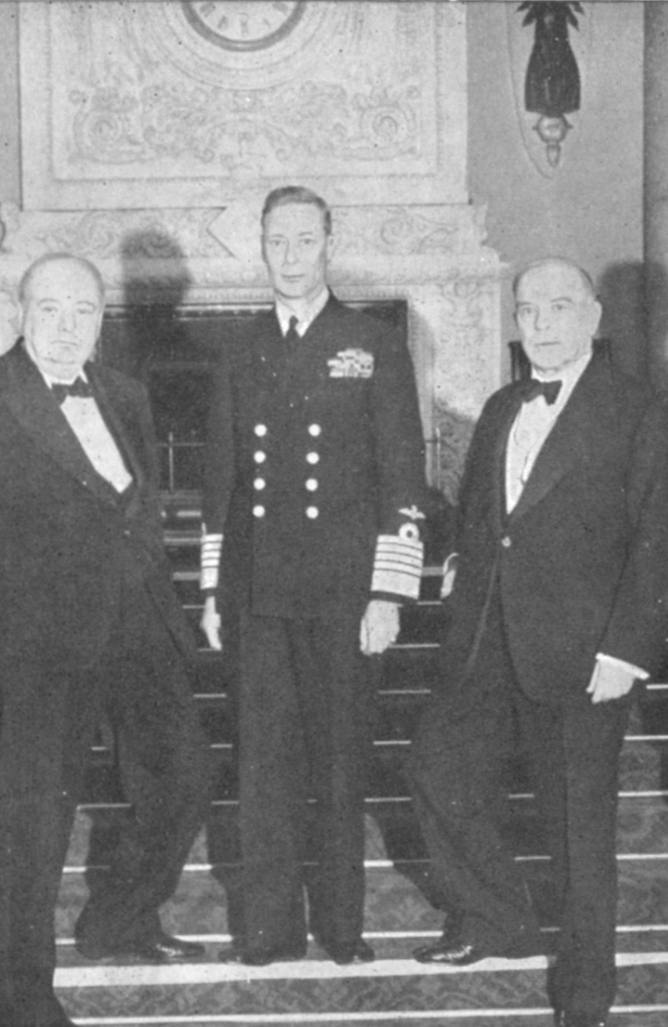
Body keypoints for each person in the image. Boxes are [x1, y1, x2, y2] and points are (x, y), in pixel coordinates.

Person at [0, 252, 214, 1027]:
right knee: (34, 823)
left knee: (185, 777)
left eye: (84, 311)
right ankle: (22, 993)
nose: (69, 326)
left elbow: (133, 510)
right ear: (20, 311)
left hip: (140, 625)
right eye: (52, 309)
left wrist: (176, 609)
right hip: (37, 642)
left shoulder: (125, 394)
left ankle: (118, 916)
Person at [405, 258, 668, 1027]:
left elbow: (661, 542)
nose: (542, 322)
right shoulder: (502, 405)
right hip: (487, 642)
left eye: (561, 306)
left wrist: (626, 651)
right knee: (434, 765)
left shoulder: (641, 410)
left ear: (594, 318)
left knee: (579, 828)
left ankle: (586, 984)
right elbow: (482, 515)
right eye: (529, 308)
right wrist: (462, 582)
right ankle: (495, 912)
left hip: (583, 652)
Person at [200, 186, 429, 966]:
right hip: (258, 593)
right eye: (276, 242)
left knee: (338, 764)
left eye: (304, 240)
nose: (290, 256)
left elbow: (404, 477)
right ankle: (266, 929)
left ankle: (340, 927)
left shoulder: (371, 342)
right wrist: (210, 590)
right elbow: (221, 482)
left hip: (343, 595)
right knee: (263, 769)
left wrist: (391, 591)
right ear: (260, 248)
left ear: (330, 242)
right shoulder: (240, 348)